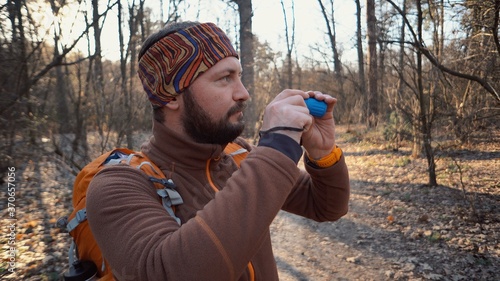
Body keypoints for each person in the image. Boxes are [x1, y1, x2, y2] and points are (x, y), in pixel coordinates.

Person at [86, 21, 350, 281]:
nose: (244, 93)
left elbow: (325, 207)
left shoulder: (237, 154)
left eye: (239, 76)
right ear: (170, 96)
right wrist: (277, 146)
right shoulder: (118, 185)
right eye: (225, 78)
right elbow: (170, 272)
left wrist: (322, 154)